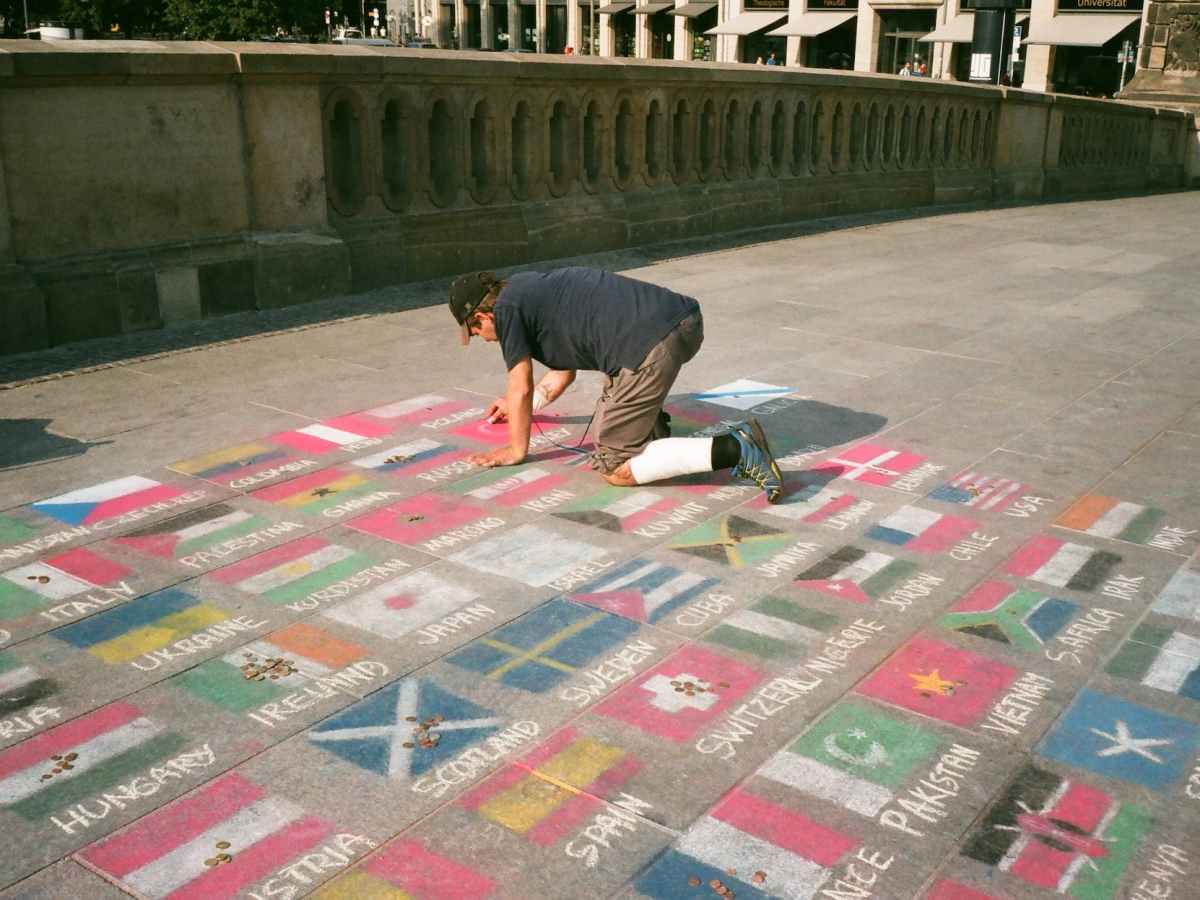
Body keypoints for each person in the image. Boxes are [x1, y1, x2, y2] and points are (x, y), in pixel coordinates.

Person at [448, 268, 784, 501]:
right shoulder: (524, 291)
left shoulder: (507, 312)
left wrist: (515, 450)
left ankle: (738, 447)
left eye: (475, 332)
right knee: (620, 417)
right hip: (680, 321)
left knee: (613, 465)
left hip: (651, 344)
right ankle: (650, 429)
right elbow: (562, 373)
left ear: (483, 316)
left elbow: (519, 384)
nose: (482, 339)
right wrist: (522, 407)